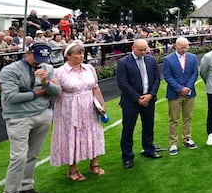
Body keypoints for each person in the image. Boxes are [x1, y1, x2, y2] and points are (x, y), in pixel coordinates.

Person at [0, 42, 60, 193]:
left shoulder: (47, 67)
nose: (38, 62)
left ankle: (26, 189)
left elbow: (57, 92)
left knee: (33, 155)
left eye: (43, 58)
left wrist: (47, 82)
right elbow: (12, 97)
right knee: (18, 157)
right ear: (28, 53)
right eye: (36, 57)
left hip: (42, 114)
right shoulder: (10, 70)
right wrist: (41, 92)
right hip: (19, 117)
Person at [50, 43, 106, 181]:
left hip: (89, 106)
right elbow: (54, 93)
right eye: (78, 54)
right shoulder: (59, 72)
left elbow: (95, 87)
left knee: (93, 132)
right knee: (71, 135)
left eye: (82, 53)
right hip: (69, 109)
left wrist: (102, 105)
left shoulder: (89, 68)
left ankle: (94, 164)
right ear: (68, 56)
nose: (81, 56)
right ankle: (73, 169)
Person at [117, 39, 162, 169]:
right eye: (140, 50)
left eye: (145, 50)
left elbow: (157, 78)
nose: (143, 52)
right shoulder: (123, 62)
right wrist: (138, 98)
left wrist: (150, 95)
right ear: (133, 48)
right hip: (131, 102)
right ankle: (127, 157)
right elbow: (122, 83)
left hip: (149, 99)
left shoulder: (151, 60)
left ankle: (149, 149)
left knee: (148, 126)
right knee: (128, 129)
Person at [164, 37, 199, 155]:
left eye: (186, 47)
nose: (184, 50)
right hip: (174, 94)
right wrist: (180, 89)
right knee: (174, 119)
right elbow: (167, 76)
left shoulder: (193, 58)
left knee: (187, 117)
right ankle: (173, 143)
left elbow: (195, 73)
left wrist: (187, 88)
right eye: (181, 47)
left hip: (189, 93)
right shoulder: (168, 59)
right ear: (175, 46)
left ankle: (187, 138)